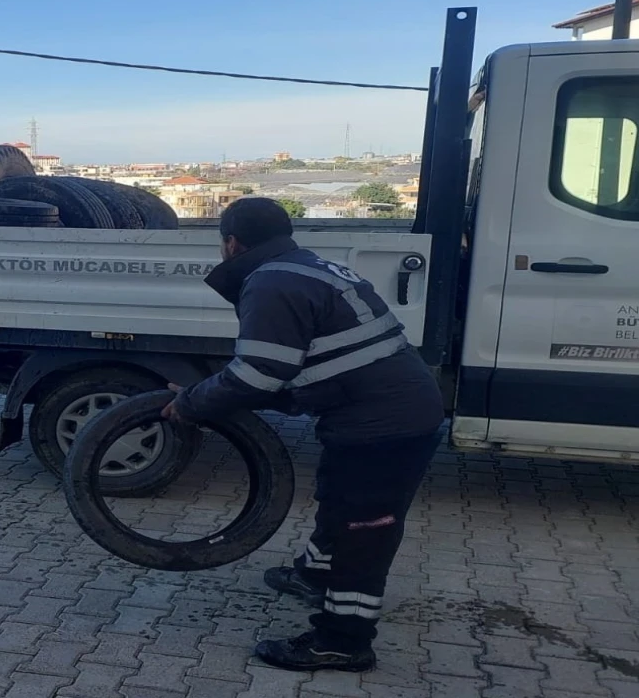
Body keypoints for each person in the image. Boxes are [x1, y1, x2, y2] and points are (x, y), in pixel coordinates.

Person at [162, 197, 444, 672]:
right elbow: (303, 369)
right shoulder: (310, 267)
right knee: (339, 498)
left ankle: (343, 640)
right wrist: (203, 397)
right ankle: (315, 576)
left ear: (231, 243)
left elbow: (258, 373)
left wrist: (191, 404)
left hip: (385, 423)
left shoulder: (270, 281)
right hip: (377, 410)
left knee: (364, 529)